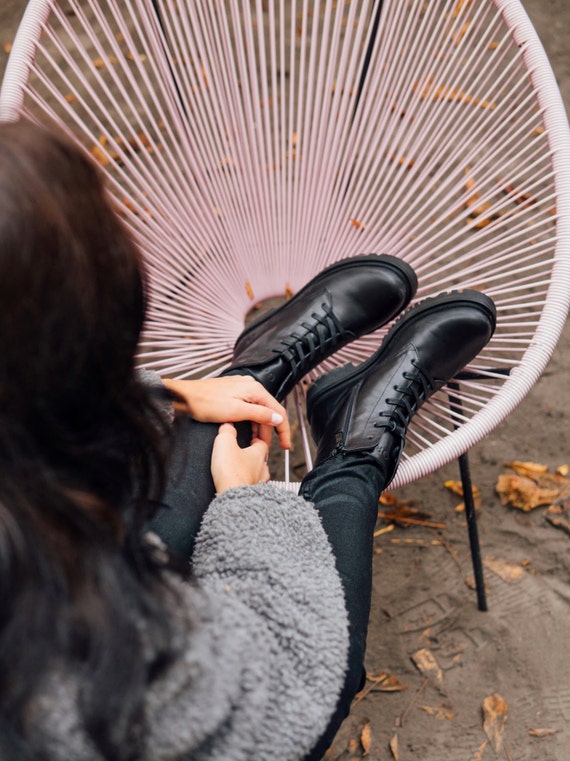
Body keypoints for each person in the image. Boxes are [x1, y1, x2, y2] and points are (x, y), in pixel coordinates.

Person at [0, 119, 496, 761]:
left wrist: (169, 391)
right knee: (335, 664)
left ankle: (257, 370)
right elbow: (285, 678)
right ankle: (355, 451)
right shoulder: (68, 640)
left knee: (215, 418)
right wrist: (249, 509)